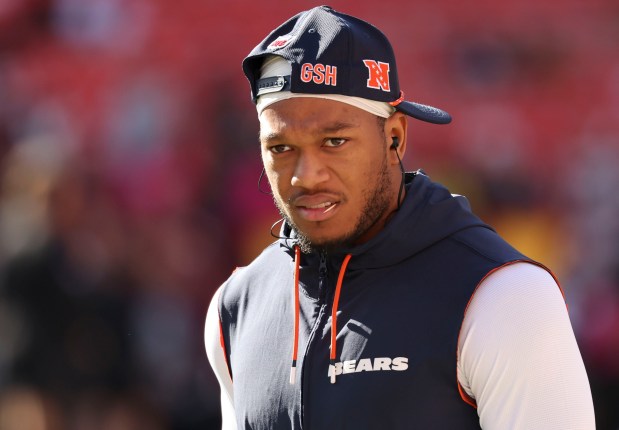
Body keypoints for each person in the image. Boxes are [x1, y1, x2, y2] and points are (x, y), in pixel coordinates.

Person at [204, 6, 595, 429]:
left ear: (395, 136)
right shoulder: (234, 308)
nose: (305, 175)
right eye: (280, 148)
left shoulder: (504, 296)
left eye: (334, 141)